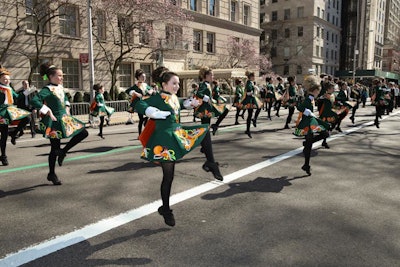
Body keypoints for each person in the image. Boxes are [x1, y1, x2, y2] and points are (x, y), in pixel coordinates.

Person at [131, 67, 223, 227]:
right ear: (164, 85)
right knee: (168, 177)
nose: (177, 86)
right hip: (164, 141)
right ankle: (165, 209)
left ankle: (211, 163)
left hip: (177, 133)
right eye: (174, 83)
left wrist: (188, 103)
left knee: (204, 131)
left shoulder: (173, 97)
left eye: (178, 83)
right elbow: (138, 104)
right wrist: (150, 111)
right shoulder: (158, 97)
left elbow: (177, 103)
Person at [30, 63, 88, 185]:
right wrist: (47, 110)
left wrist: (67, 106)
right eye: (59, 75)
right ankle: (52, 173)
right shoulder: (47, 89)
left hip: (65, 118)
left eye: (62, 75)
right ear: (51, 76)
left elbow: (65, 98)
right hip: (55, 121)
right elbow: (34, 100)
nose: (62, 78)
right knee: (54, 148)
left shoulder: (59, 87)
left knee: (83, 132)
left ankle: (63, 151)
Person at [294, 77, 330, 175]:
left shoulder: (311, 98)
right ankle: (306, 165)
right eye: (318, 91)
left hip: (311, 121)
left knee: (325, 134)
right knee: (320, 137)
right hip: (308, 122)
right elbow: (299, 106)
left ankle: (306, 163)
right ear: (314, 91)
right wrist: (307, 112)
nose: (318, 93)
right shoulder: (308, 98)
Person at [0, 66, 31, 166]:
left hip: (8, 111)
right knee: (3, 136)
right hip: (1, 112)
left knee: (27, 118)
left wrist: (27, 91)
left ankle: (14, 133)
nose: (7, 81)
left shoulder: (9, 88)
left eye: (8, 79)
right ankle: (3, 155)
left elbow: (17, 96)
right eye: (4, 79)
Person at [194, 66, 229, 135]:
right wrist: (207, 98)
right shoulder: (204, 84)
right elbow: (198, 93)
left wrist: (212, 100)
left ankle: (215, 126)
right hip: (205, 109)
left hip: (208, 107)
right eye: (211, 75)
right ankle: (205, 144)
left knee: (205, 128)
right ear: (206, 76)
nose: (213, 76)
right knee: (205, 128)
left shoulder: (207, 84)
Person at [126, 69, 153, 136]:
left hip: (146, 104)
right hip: (139, 105)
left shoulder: (146, 85)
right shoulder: (136, 85)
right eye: (142, 77)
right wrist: (135, 93)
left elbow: (151, 90)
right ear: (138, 77)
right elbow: (127, 90)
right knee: (141, 119)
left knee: (147, 118)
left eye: (145, 77)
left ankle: (146, 132)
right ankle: (140, 134)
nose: (144, 78)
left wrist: (151, 91)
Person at [237, 71, 263, 138]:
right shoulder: (249, 83)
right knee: (250, 114)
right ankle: (248, 129)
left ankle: (252, 123)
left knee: (258, 108)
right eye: (253, 76)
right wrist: (254, 91)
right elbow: (248, 92)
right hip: (249, 100)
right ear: (251, 77)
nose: (254, 77)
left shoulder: (251, 82)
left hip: (252, 99)